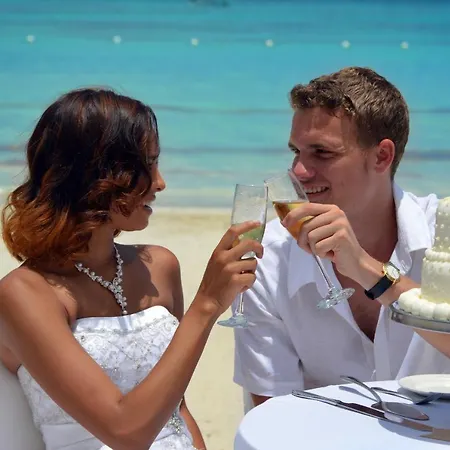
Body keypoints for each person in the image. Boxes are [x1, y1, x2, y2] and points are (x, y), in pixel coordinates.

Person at [0, 88, 263, 450]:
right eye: (147, 165)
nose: (160, 182)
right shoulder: (25, 293)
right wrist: (207, 304)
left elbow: (177, 410)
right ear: (94, 175)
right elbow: (125, 432)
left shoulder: (159, 267)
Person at [233, 66, 450, 409]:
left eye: (322, 152)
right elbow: (271, 417)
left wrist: (366, 268)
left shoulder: (443, 235)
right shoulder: (268, 259)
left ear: (382, 156)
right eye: (296, 152)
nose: (298, 171)